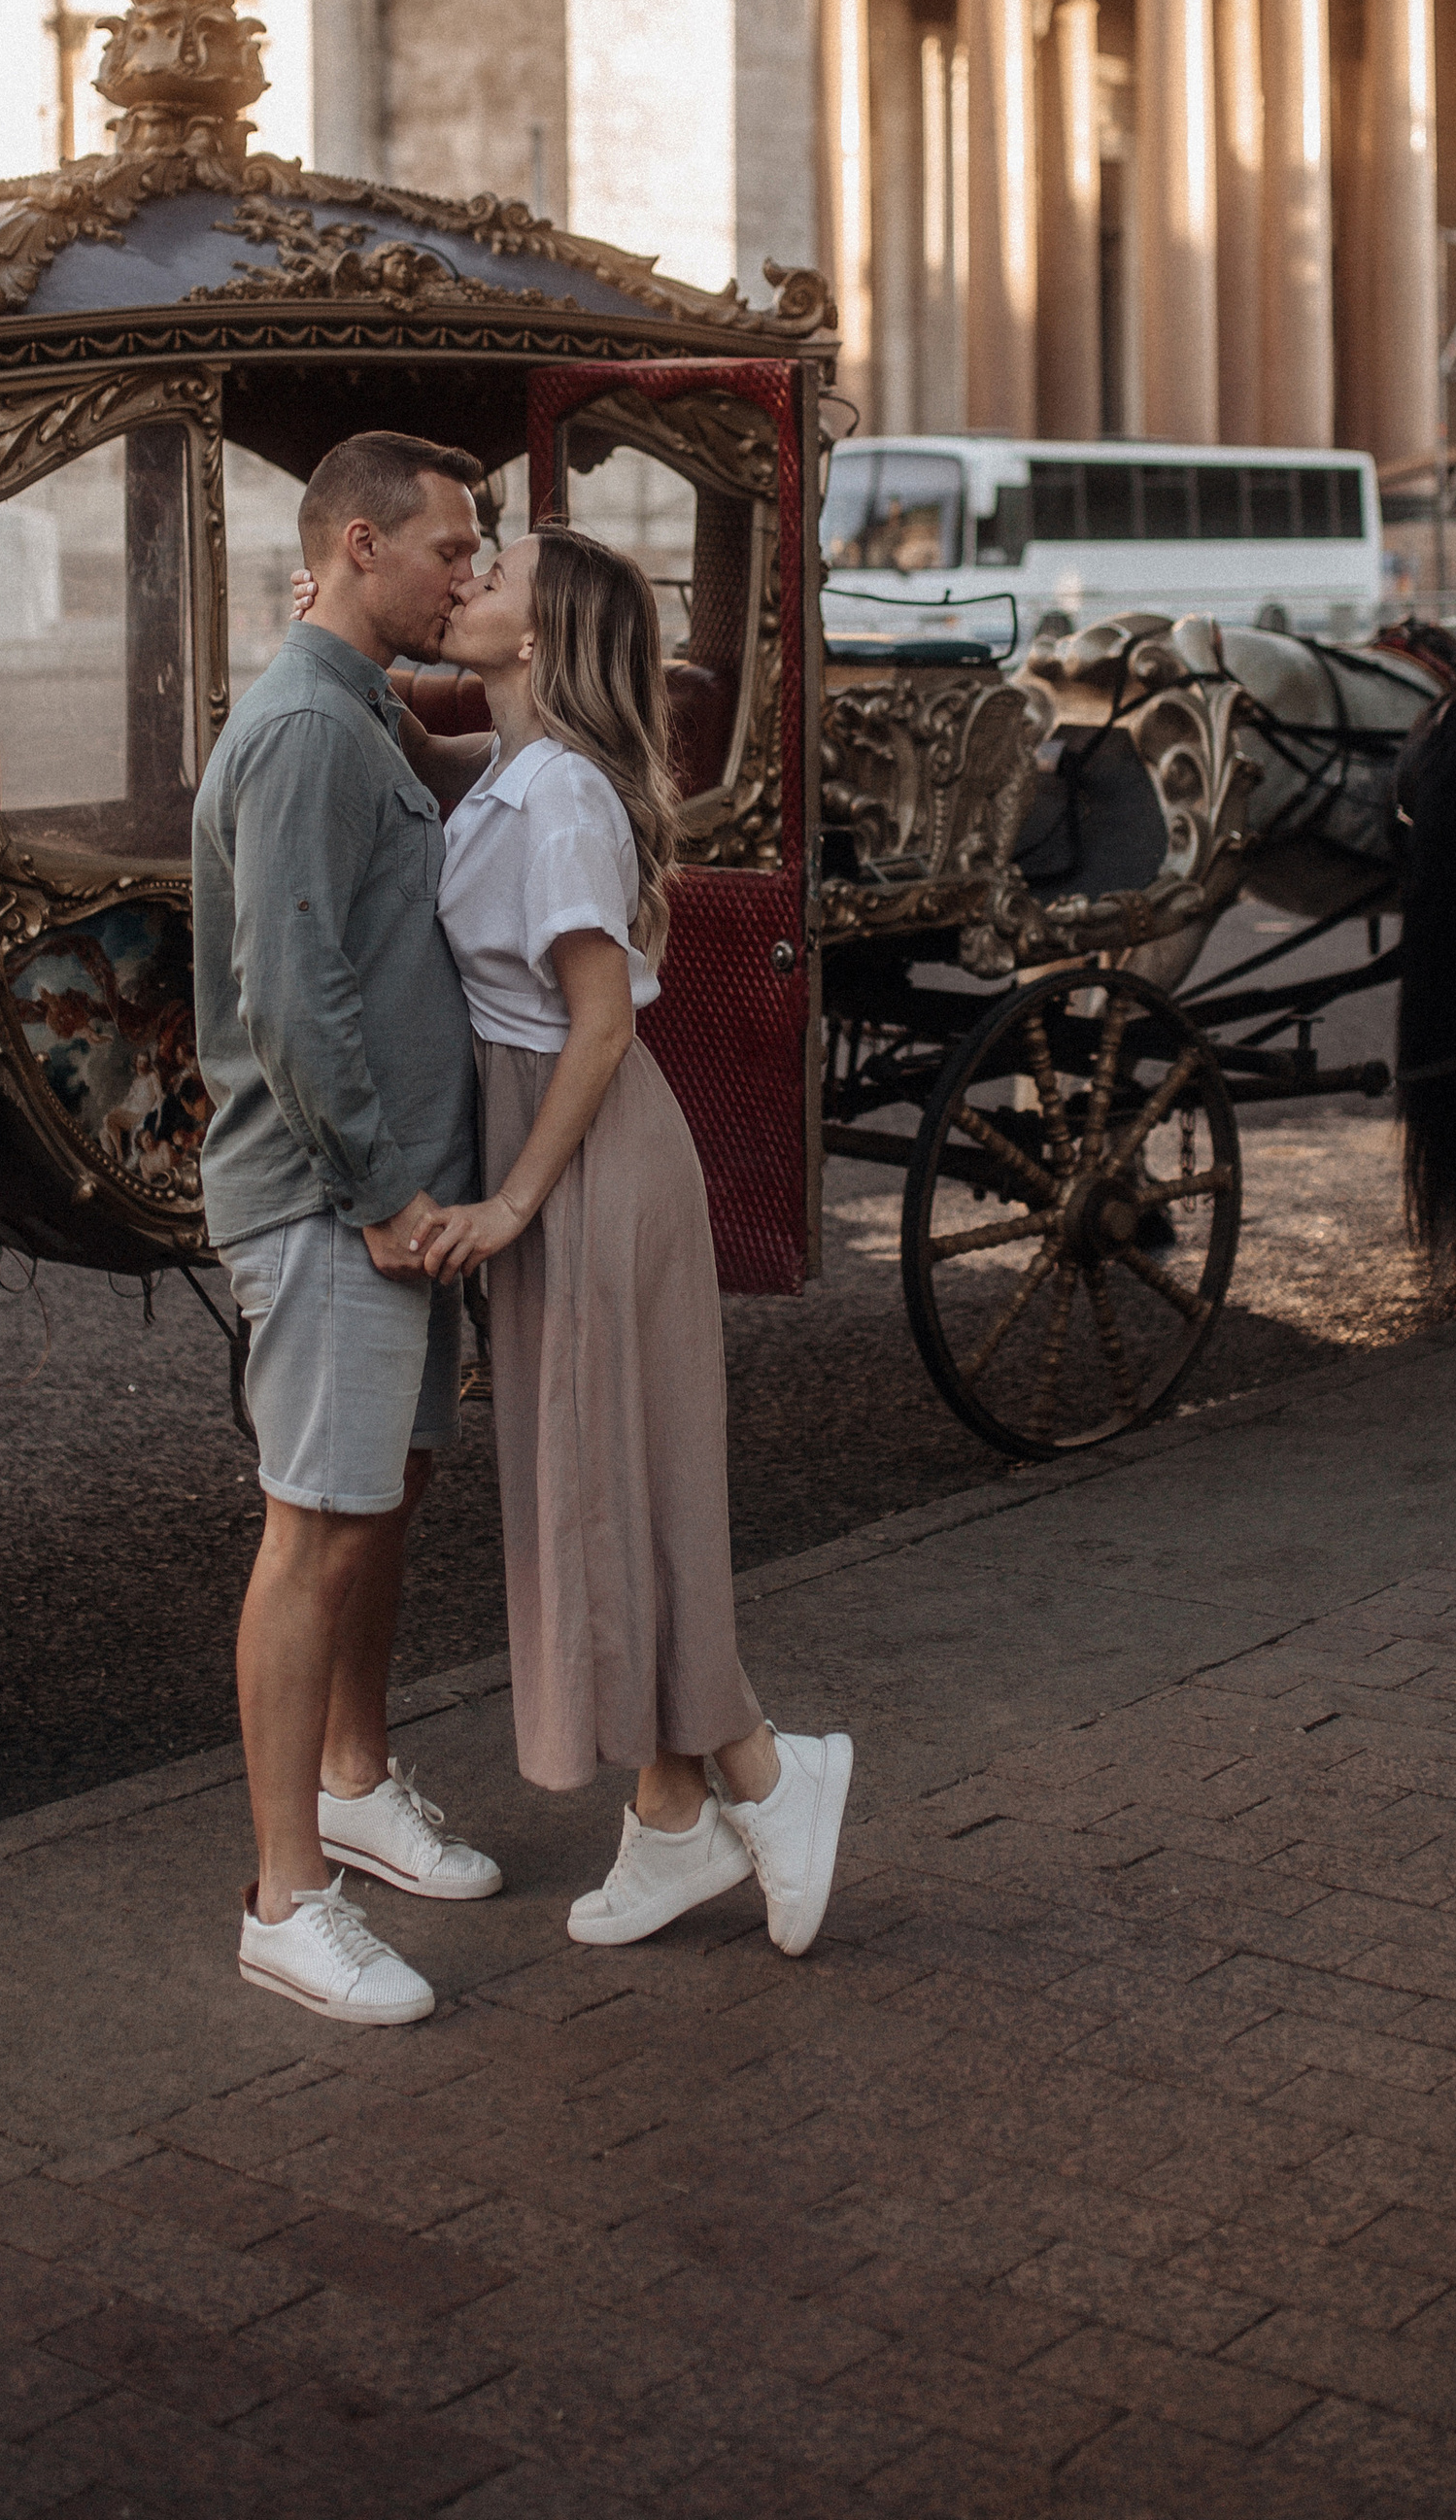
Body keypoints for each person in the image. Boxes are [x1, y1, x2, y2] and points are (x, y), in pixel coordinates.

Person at [421, 522, 853, 1956]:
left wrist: (513, 1203)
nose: (465, 582)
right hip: (566, 1150)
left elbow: (600, 1025)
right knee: (608, 1485)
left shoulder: (558, 804)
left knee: (626, 1487)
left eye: (490, 579)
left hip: (585, 1157)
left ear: (539, 640)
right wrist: (339, 638)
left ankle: (769, 1775)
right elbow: (424, 771)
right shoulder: (520, 774)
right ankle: (673, 1820)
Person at [193, 430, 508, 2027]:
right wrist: (387, 1197)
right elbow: (292, 998)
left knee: (384, 1492)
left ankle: (357, 1785)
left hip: (397, 1197)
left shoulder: (358, 708)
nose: (474, 573)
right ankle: (282, 1896)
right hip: (338, 1201)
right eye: (453, 548)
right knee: (313, 1527)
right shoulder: (310, 729)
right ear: (361, 545)